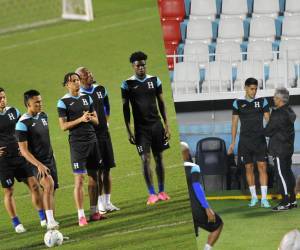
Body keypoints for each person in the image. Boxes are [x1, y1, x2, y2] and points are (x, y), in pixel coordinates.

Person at [121, 51, 171, 205]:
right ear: (133, 67)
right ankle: (151, 193)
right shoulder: (127, 84)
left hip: (156, 125)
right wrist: (129, 130)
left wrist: (166, 125)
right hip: (141, 129)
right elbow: (125, 109)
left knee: (159, 157)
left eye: (143, 65)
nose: (141, 68)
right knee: (145, 159)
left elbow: (162, 103)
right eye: (138, 66)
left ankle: (162, 191)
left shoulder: (155, 80)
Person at [57, 72, 103, 226]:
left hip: (92, 140)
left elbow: (97, 120)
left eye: (77, 80)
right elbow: (63, 126)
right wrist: (81, 119)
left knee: (94, 177)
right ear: (66, 84)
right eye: (73, 81)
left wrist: (90, 118)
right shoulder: (63, 102)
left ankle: (94, 212)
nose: (76, 83)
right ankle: (81, 216)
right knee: (79, 179)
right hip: (77, 144)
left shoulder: (87, 98)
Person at [0, 87, 44, 233]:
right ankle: (16, 223)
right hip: (4, 160)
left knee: (34, 185)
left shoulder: (14, 112)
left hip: (20, 156)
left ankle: (43, 217)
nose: (3, 100)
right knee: (9, 190)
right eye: (0, 98)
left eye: (4, 97)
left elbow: (23, 128)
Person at [76, 67, 119, 213]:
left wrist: (106, 120)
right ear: (80, 79)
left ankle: (107, 202)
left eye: (90, 72)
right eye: (87, 74)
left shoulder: (100, 89)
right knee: (97, 172)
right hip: (91, 138)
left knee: (107, 169)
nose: (90, 75)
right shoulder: (80, 96)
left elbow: (107, 105)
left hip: (104, 134)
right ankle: (100, 204)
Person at [15, 90, 59, 229]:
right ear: (28, 104)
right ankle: (50, 223)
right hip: (35, 162)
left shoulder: (43, 116)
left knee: (51, 190)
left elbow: (45, 139)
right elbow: (23, 150)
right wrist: (39, 165)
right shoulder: (22, 123)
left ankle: (51, 220)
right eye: (37, 102)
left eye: (40, 101)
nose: (40, 104)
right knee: (48, 184)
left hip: (50, 159)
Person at [228, 77, 271, 208]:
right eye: (252, 89)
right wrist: (233, 142)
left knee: (262, 167)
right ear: (246, 88)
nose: (254, 91)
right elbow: (234, 124)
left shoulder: (262, 101)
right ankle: (254, 197)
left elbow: (268, 120)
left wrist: (272, 135)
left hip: (260, 140)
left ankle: (264, 198)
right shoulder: (237, 103)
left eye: (256, 89)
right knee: (248, 168)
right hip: (245, 141)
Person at [181, 142, 223, 250]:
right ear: (186, 153)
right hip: (196, 208)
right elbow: (196, 186)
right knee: (218, 225)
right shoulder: (194, 167)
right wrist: (207, 208)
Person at [264, 87, 296, 211]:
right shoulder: (289, 111)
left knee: (281, 174)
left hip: (279, 149)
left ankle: (285, 201)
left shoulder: (278, 113)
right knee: (288, 173)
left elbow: (268, 131)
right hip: (288, 148)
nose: (273, 99)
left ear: (280, 99)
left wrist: (268, 122)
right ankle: (292, 200)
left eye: (275, 97)